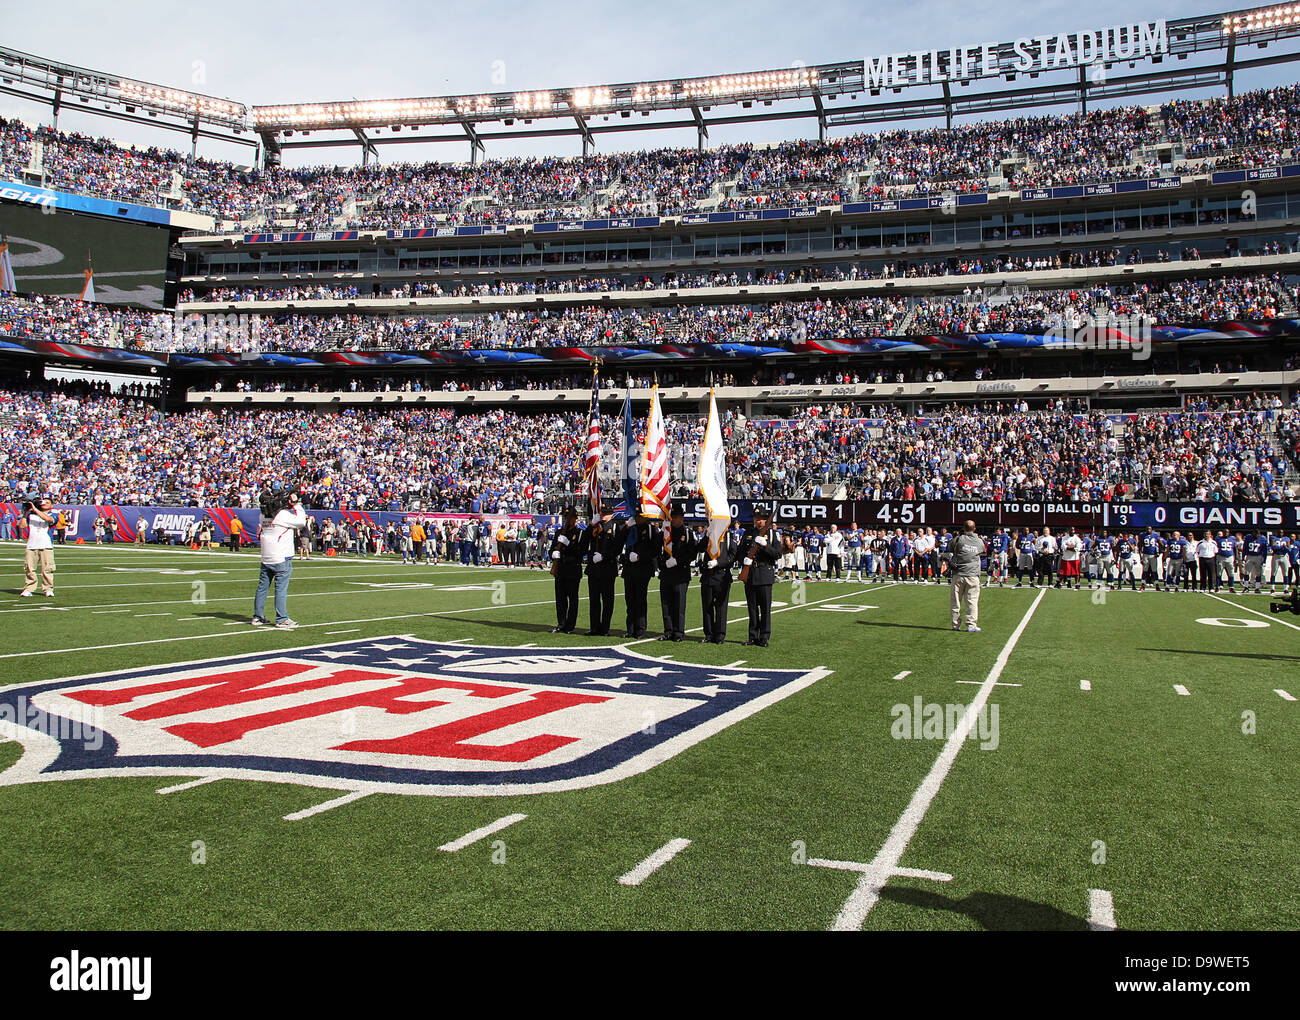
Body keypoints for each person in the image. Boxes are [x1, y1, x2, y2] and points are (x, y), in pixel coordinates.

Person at [252, 489, 307, 629]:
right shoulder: (282, 515)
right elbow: (301, 522)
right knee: (280, 589)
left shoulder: (262, 516)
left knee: (262, 588)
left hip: (266, 556)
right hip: (281, 556)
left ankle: (258, 616)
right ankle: (281, 618)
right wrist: (296, 504)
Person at [656, 507, 697, 641]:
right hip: (667, 573)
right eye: (672, 516)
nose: (674, 519)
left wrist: (677, 561)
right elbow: (657, 549)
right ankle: (668, 631)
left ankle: (678, 632)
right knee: (666, 604)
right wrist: (663, 563)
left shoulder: (688, 533)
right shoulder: (665, 532)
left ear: (682, 517)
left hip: (680, 574)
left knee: (679, 605)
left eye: (677, 516)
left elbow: (692, 553)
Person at [740, 507, 780, 646]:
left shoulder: (773, 534)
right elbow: (740, 552)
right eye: (756, 518)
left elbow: (777, 554)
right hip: (750, 574)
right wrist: (744, 560)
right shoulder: (748, 533)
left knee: (765, 608)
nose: (758, 521)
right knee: (752, 608)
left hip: (764, 574)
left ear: (765, 520)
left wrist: (765, 545)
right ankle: (752, 636)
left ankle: (764, 637)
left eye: (761, 518)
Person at [621, 514, 659, 638]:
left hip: (643, 569)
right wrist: (626, 528)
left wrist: (640, 556)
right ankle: (630, 629)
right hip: (629, 569)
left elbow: (655, 550)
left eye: (639, 516)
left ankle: (640, 629)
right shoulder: (630, 528)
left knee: (640, 599)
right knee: (629, 599)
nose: (637, 518)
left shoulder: (650, 530)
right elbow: (619, 541)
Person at [548, 507, 586, 634]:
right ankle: (561, 623)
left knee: (573, 599)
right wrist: (553, 554)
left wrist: (568, 544)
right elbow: (552, 548)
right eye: (566, 517)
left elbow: (581, 552)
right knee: (560, 599)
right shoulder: (560, 532)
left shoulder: (579, 533)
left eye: (570, 517)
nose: (568, 520)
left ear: (576, 519)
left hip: (572, 569)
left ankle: (570, 626)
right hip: (560, 569)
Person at [584, 510, 621, 636]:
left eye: (605, 513)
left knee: (607, 601)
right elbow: (584, 540)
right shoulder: (595, 526)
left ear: (611, 514)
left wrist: (604, 556)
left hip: (607, 569)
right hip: (594, 569)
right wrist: (590, 525)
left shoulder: (615, 527)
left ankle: (605, 628)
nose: (603, 515)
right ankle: (594, 627)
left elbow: (617, 548)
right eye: (601, 513)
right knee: (594, 600)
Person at [950, 520, 986, 633]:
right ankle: (971, 625)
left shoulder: (958, 539)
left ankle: (955, 624)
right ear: (974, 529)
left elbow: (949, 549)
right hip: (972, 574)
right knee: (972, 601)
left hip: (958, 574)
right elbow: (981, 551)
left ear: (964, 528)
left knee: (956, 601)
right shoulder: (980, 542)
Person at [699, 531, 734, 644]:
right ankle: (709, 634)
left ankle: (719, 635)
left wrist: (718, 562)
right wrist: (707, 535)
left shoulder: (728, 536)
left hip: (722, 576)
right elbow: (699, 548)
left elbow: (733, 555)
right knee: (707, 607)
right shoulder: (709, 534)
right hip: (708, 576)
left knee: (721, 607)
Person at [20, 494, 56, 598]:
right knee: (30, 569)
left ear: (51, 505)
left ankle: (48, 589)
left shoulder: (53, 514)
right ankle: (28, 588)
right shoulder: (31, 514)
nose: (44, 504)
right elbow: (22, 526)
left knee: (47, 569)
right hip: (32, 544)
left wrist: (35, 509)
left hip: (46, 544)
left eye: (47, 502)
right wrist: (26, 512)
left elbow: (48, 519)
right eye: (43, 502)